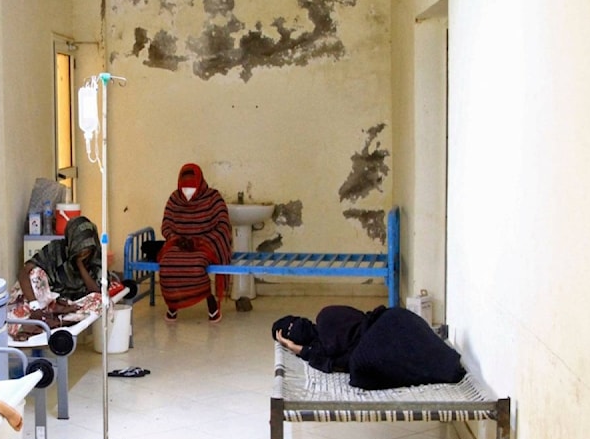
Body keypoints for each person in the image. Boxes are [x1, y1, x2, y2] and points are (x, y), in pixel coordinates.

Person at [273, 305, 465, 390]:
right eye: (288, 334)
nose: (293, 329)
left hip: (391, 321)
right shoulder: (320, 352)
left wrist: (308, 352)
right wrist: (299, 349)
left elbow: (353, 339)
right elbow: (343, 360)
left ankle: (448, 366)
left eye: (292, 323)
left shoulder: (326, 316)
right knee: (360, 370)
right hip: (380, 344)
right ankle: (447, 371)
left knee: (360, 366)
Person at [9, 215, 121, 337]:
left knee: (102, 302)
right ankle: (45, 314)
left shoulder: (95, 257)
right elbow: (23, 272)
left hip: (74, 303)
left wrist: (79, 264)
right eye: (79, 248)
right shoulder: (55, 250)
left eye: (87, 249)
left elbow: (96, 291)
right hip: (47, 299)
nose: (84, 252)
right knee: (35, 273)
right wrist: (35, 306)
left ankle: (56, 321)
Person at [158, 163, 232, 323]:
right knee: (167, 264)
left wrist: (200, 240)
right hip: (179, 244)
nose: (187, 193)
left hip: (204, 244)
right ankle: (173, 304)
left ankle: (211, 303)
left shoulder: (213, 198)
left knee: (195, 265)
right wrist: (176, 239)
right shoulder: (174, 198)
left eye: (192, 188)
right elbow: (166, 225)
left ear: (200, 184)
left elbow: (223, 225)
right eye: (184, 188)